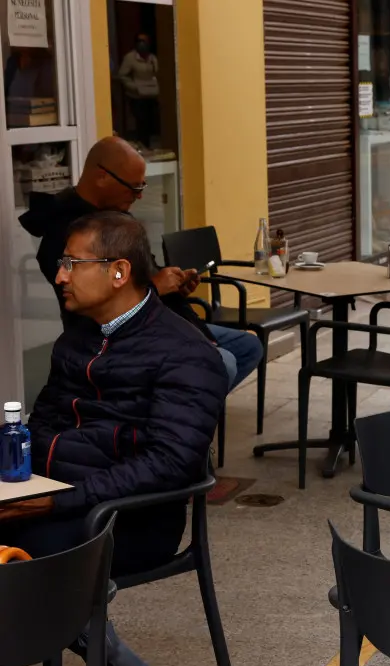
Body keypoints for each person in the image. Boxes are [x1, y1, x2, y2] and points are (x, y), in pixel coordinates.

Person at [0, 212, 228, 574]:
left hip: (129, 519)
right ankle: (77, 631)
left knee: (24, 561)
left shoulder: (187, 354)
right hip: (55, 498)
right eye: (62, 264)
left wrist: (55, 502)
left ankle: (81, 632)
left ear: (119, 272)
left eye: (72, 264)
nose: (60, 276)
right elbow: (43, 421)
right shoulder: (77, 338)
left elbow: (169, 464)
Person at [18, 137, 263, 392]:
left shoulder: (115, 215)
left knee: (246, 347)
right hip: (122, 336)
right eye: (133, 187)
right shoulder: (67, 232)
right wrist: (156, 287)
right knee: (222, 364)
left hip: (160, 318)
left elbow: (143, 275)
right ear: (102, 176)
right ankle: (170, 411)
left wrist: (172, 284)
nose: (140, 195)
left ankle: (177, 407)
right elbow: (93, 312)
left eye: (142, 186)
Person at [117, 33, 159, 146]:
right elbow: (122, 75)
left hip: (151, 94)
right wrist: (134, 87)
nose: (142, 44)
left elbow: (158, 73)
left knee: (152, 123)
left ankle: (150, 145)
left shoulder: (153, 58)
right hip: (137, 96)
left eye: (144, 41)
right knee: (141, 123)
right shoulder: (130, 58)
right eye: (139, 41)